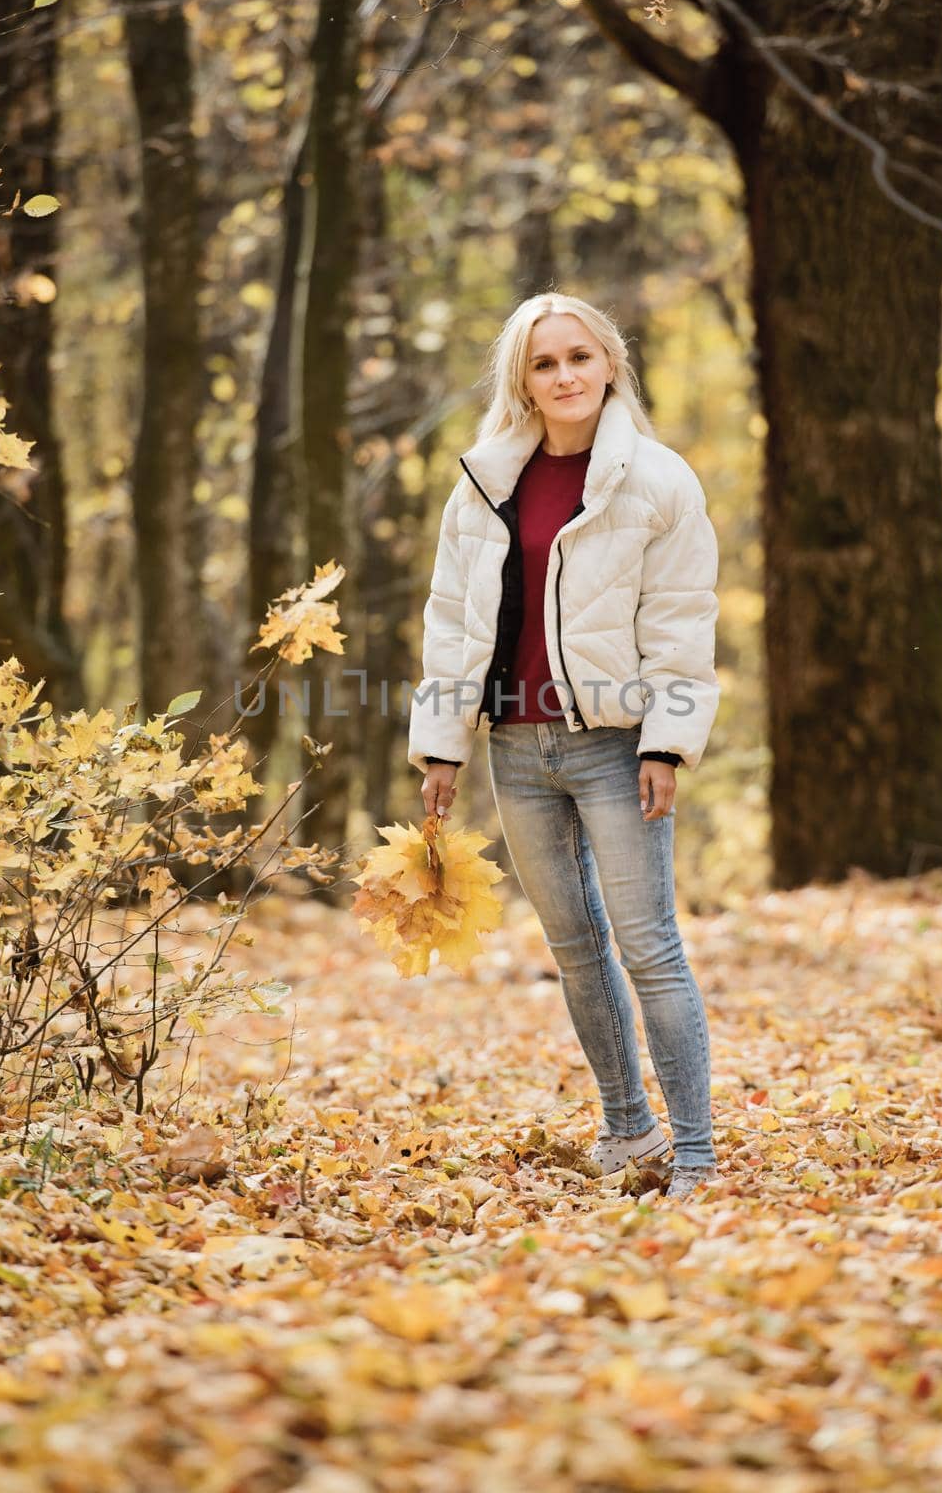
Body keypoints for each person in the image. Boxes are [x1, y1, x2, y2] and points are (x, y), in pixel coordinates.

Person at [407, 292, 721, 1201]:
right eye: (544, 365)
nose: (565, 376)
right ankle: (629, 1128)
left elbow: (680, 622)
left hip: (618, 747)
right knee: (575, 946)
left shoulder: (658, 479)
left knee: (648, 945)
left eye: (579, 357)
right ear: (524, 381)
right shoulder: (483, 483)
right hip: (516, 744)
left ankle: (694, 1151)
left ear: (610, 364)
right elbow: (451, 622)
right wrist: (442, 745)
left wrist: (666, 744)